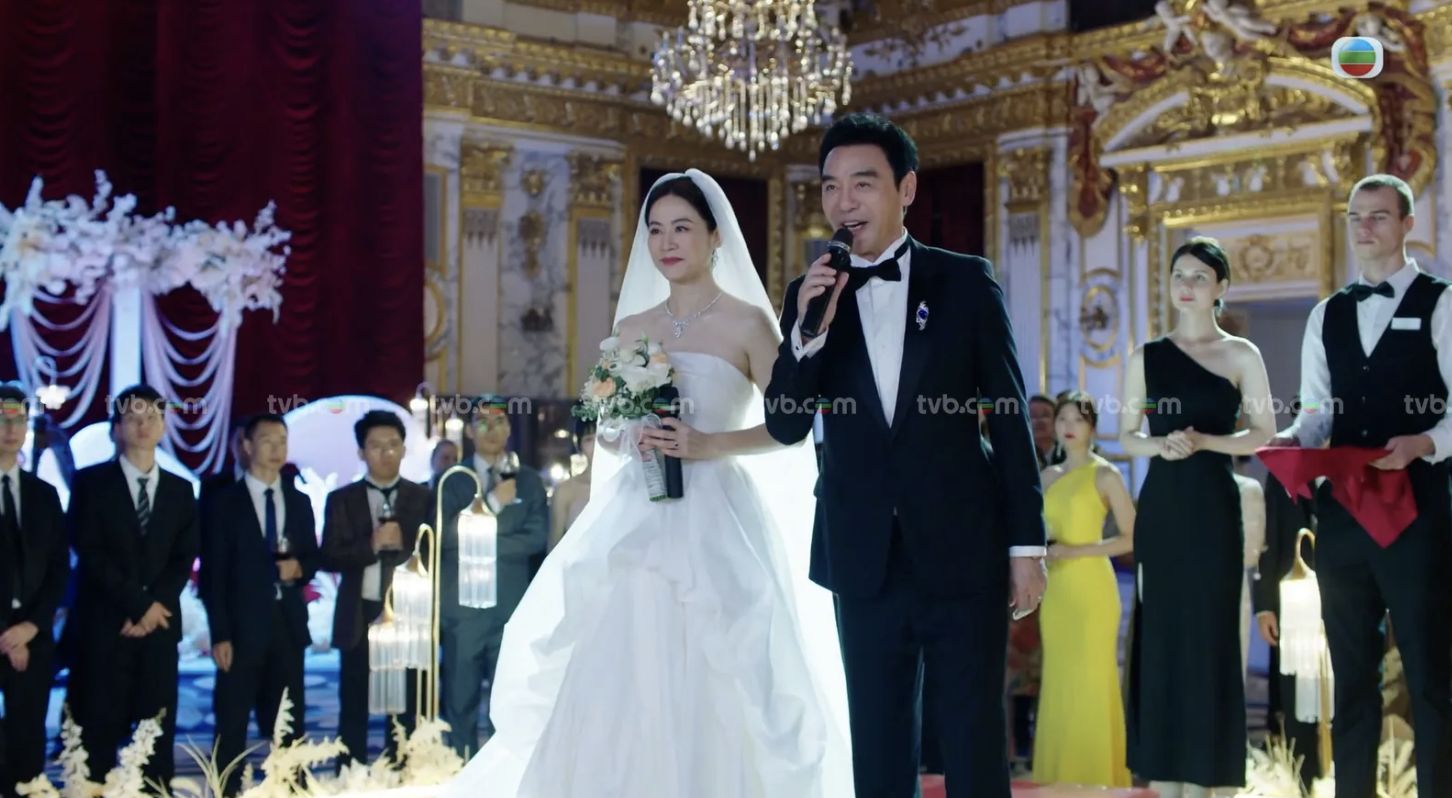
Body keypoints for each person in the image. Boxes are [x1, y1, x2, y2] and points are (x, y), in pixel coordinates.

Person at [441, 169, 851, 797]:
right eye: (656, 230)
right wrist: (625, 434)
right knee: (620, 655)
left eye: (682, 228)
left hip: (718, 513)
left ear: (715, 236)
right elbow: (606, 427)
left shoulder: (748, 323)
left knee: (724, 660)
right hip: (639, 509)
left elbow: (787, 427)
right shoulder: (633, 327)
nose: (667, 242)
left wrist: (708, 444)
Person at [765, 111, 1046, 798]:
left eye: (862, 184)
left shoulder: (966, 282)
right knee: (879, 746)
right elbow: (785, 425)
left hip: (965, 550)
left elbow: (1010, 416)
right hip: (862, 554)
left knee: (974, 743)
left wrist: (1026, 546)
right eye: (831, 187)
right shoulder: (808, 296)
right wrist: (807, 337)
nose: (844, 203)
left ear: (907, 189)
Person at [1271, 173, 1452, 798]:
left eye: (1378, 216)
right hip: (1345, 517)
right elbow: (1317, 412)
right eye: (1356, 216)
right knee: (1350, 680)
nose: (1365, 227)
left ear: (1407, 225)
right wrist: (1294, 438)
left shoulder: (1442, 303)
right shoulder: (1327, 314)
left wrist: (1423, 443)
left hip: (1419, 512)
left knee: (1431, 676)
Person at [1118, 237, 1275, 797]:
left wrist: (1207, 440)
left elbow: (1263, 433)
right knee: (1163, 640)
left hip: (1214, 509)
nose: (1186, 286)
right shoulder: (1146, 357)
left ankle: (1213, 780)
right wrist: (1160, 445)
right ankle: (1165, 779)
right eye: (1178, 276)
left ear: (1221, 287)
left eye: (1199, 278)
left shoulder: (1241, 355)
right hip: (1163, 510)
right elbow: (1127, 435)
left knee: (1211, 639)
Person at [66, 385, 200, 786]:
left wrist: (153, 606)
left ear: (163, 426)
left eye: (152, 417)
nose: (143, 426)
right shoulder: (90, 483)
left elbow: (183, 558)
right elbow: (90, 551)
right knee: (98, 730)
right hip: (105, 625)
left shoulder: (180, 489)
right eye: (133, 418)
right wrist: (138, 605)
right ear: (116, 429)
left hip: (158, 626)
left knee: (154, 731)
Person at [201, 414, 318, 795]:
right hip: (240, 628)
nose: (276, 449)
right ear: (247, 446)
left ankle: (290, 789)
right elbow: (213, 575)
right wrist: (220, 633)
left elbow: (311, 557)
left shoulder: (298, 500)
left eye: (282, 440)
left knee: (288, 721)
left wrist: (300, 568)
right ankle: (227, 789)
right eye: (267, 440)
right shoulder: (223, 503)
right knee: (232, 722)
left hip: (287, 624)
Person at [1032, 391, 1134, 788]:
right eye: (1063, 419)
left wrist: (1075, 551)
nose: (1068, 426)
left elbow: (1132, 538)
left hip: (1093, 589)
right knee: (1059, 680)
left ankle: (1097, 778)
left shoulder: (1106, 475)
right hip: (1056, 590)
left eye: (1077, 419)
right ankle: (1057, 779)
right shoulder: (1046, 477)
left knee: (1092, 679)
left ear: (1092, 426)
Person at [318, 411, 431, 765]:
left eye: (393, 445)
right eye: (376, 446)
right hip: (360, 611)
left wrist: (404, 542)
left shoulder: (423, 497)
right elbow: (328, 556)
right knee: (354, 701)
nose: (386, 453)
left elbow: (436, 554)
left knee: (407, 703)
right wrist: (370, 545)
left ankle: (404, 771)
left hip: (408, 613)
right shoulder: (342, 499)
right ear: (361, 452)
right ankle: (350, 773)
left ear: (404, 449)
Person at [438, 404, 548, 757]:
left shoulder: (528, 480)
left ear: (509, 428)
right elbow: (445, 537)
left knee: (509, 700)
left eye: (499, 421)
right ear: (470, 431)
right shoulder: (452, 479)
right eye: (482, 422)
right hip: (463, 609)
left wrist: (479, 538)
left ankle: (504, 775)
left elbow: (536, 538)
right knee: (459, 698)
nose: (491, 429)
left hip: (510, 607)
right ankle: (460, 768)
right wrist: (492, 504)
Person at [0, 385, 68, 798]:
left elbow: (58, 568)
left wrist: (30, 627)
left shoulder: (43, 495)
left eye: (19, 421)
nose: (11, 430)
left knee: (28, 739)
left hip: (33, 636)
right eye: (2, 420)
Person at [548, 420, 594, 551]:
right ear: (579, 446)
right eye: (589, 439)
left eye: (603, 437)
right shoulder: (565, 491)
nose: (597, 445)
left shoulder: (629, 485)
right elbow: (554, 546)